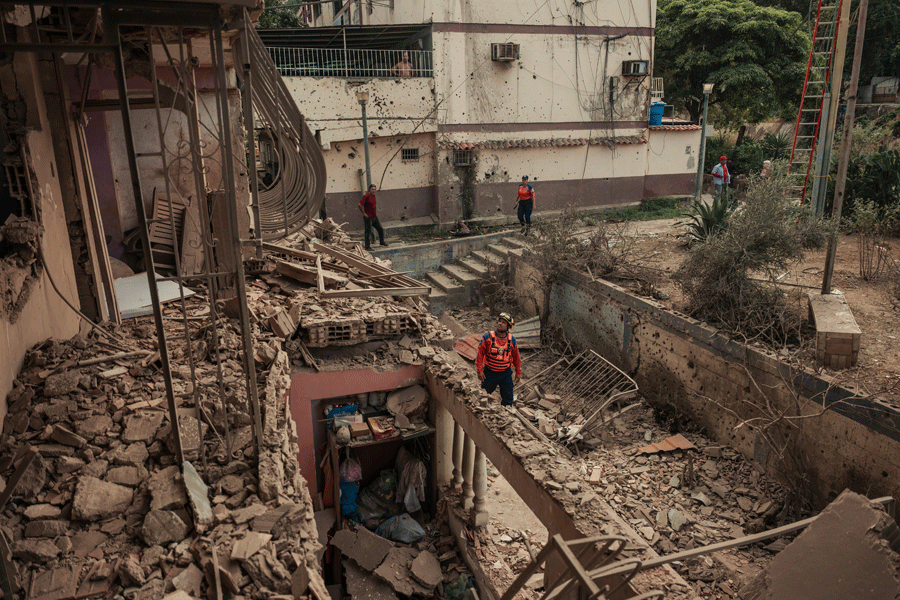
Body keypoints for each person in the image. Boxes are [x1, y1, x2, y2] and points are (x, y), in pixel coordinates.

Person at [475, 313, 522, 406]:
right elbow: (480, 354)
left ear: (508, 326)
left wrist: (518, 372)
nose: (500, 323)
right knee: (484, 396)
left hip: (505, 374)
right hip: (490, 372)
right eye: (499, 321)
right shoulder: (487, 337)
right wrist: (480, 370)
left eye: (503, 322)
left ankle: (506, 416)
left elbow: (516, 357)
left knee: (508, 399)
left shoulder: (512, 340)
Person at [358, 184, 387, 250]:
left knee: (380, 229)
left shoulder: (373, 196)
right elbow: (359, 204)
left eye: (374, 189)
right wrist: (364, 213)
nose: (374, 191)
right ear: (369, 189)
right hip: (368, 218)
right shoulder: (366, 196)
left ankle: (382, 242)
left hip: (374, 217)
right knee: (368, 232)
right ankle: (367, 247)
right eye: (372, 189)